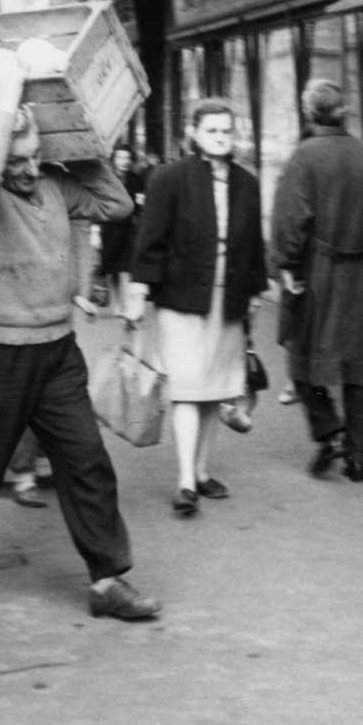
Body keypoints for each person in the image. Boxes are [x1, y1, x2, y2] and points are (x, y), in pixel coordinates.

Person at [0, 58, 160, 622]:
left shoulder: (54, 185)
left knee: (86, 460)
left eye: (35, 157)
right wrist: (4, 105)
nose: (27, 170)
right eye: (15, 160)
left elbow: (116, 204)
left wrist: (76, 140)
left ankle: (107, 580)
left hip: (55, 352)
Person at [126, 99, 269, 516]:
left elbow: (254, 245)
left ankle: (203, 471)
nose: (221, 137)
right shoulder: (169, 177)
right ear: (194, 133)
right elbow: (149, 239)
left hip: (229, 299)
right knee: (188, 388)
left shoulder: (247, 183)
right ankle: (187, 481)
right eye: (212, 130)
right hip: (181, 298)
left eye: (227, 130)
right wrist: (137, 294)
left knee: (215, 390)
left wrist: (254, 294)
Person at [270, 79, 363, 482]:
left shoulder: (305, 155)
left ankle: (328, 430)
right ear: (344, 112)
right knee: (360, 364)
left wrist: (285, 265)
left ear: (310, 113)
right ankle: (357, 458)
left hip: (322, 273)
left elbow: (291, 221)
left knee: (305, 359)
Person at [97, 143, 146, 316]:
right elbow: (98, 203)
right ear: (114, 159)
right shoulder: (106, 178)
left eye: (127, 158)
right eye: (120, 157)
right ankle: (116, 304)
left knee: (126, 268)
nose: (124, 161)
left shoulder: (136, 179)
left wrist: (141, 207)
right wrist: (95, 228)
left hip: (129, 228)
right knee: (111, 269)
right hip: (109, 226)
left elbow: (140, 204)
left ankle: (124, 305)